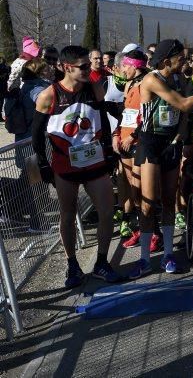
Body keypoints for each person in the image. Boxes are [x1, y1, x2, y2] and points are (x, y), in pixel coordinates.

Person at [128, 40, 193, 278]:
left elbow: (184, 111)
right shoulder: (152, 79)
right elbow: (183, 103)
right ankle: (144, 259)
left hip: (171, 142)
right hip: (151, 142)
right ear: (165, 60)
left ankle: (169, 254)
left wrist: (181, 131)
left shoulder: (181, 79)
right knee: (149, 203)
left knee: (170, 199)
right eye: (180, 58)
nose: (184, 61)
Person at [31, 45, 124, 287]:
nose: (88, 69)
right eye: (83, 66)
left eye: (89, 65)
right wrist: (42, 164)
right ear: (65, 67)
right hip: (65, 166)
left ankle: (102, 263)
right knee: (68, 215)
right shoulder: (48, 95)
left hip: (94, 162)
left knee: (106, 212)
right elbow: (36, 134)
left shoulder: (93, 88)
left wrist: (109, 150)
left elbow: (102, 116)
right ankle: (72, 265)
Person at [112, 50, 149, 244]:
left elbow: (147, 115)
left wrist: (133, 136)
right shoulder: (128, 85)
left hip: (138, 142)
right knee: (130, 190)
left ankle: (151, 232)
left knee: (139, 190)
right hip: (124, 140)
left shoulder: (146, 84)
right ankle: (140, 229)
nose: (122, 70)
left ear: (134, 66)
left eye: (125, 66)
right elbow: (125, 113)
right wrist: (116, 135)